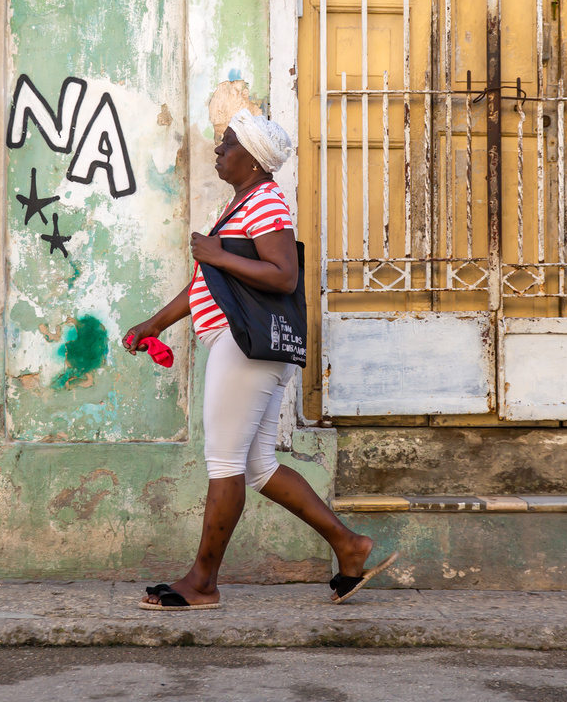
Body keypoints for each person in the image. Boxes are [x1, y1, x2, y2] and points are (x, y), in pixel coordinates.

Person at [124, 108, 398, 611]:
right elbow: (210, 281)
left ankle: (202, 583)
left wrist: (218, 254)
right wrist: (155, 324)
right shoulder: (244, 204)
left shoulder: (267, 202)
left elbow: (284, 275)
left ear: (251, 159)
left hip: (243, 346)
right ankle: (348, 545)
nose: (218, 151)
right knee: (259, 467)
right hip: (242, 346)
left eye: (227, 145)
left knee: (225, 464)